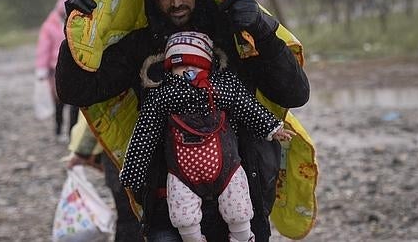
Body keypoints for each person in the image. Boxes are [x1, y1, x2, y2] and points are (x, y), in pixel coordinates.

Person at [56, 0, 309, 241]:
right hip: (170, 212)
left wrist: (263, 29)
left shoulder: (235, 35)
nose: (176, 1)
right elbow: (76, 90)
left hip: (241, 200)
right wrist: (74, 32)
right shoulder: (142, 46)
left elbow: (295, 93)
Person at [120, 31, 295, 242]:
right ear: (169, 68)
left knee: (238, 209)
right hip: (181, 174)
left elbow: (247, 106)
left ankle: (243, 237)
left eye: (195, 65)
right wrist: (133, 172)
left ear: (207, 66)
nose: (187, 71)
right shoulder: (163, 96)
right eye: (179, 66)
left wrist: (272, 127)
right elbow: (144, 135)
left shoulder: (222, 88)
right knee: (184, 216)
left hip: (227, 168)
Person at [35, 0, 79, 141]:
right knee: (59, 102)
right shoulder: (49, 26)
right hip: (55, 70)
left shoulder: (76, 21)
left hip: (73, 68)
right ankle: (59, 130)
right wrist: (41, 70)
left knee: (75, 103)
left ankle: (72, 133)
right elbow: (43, 49)